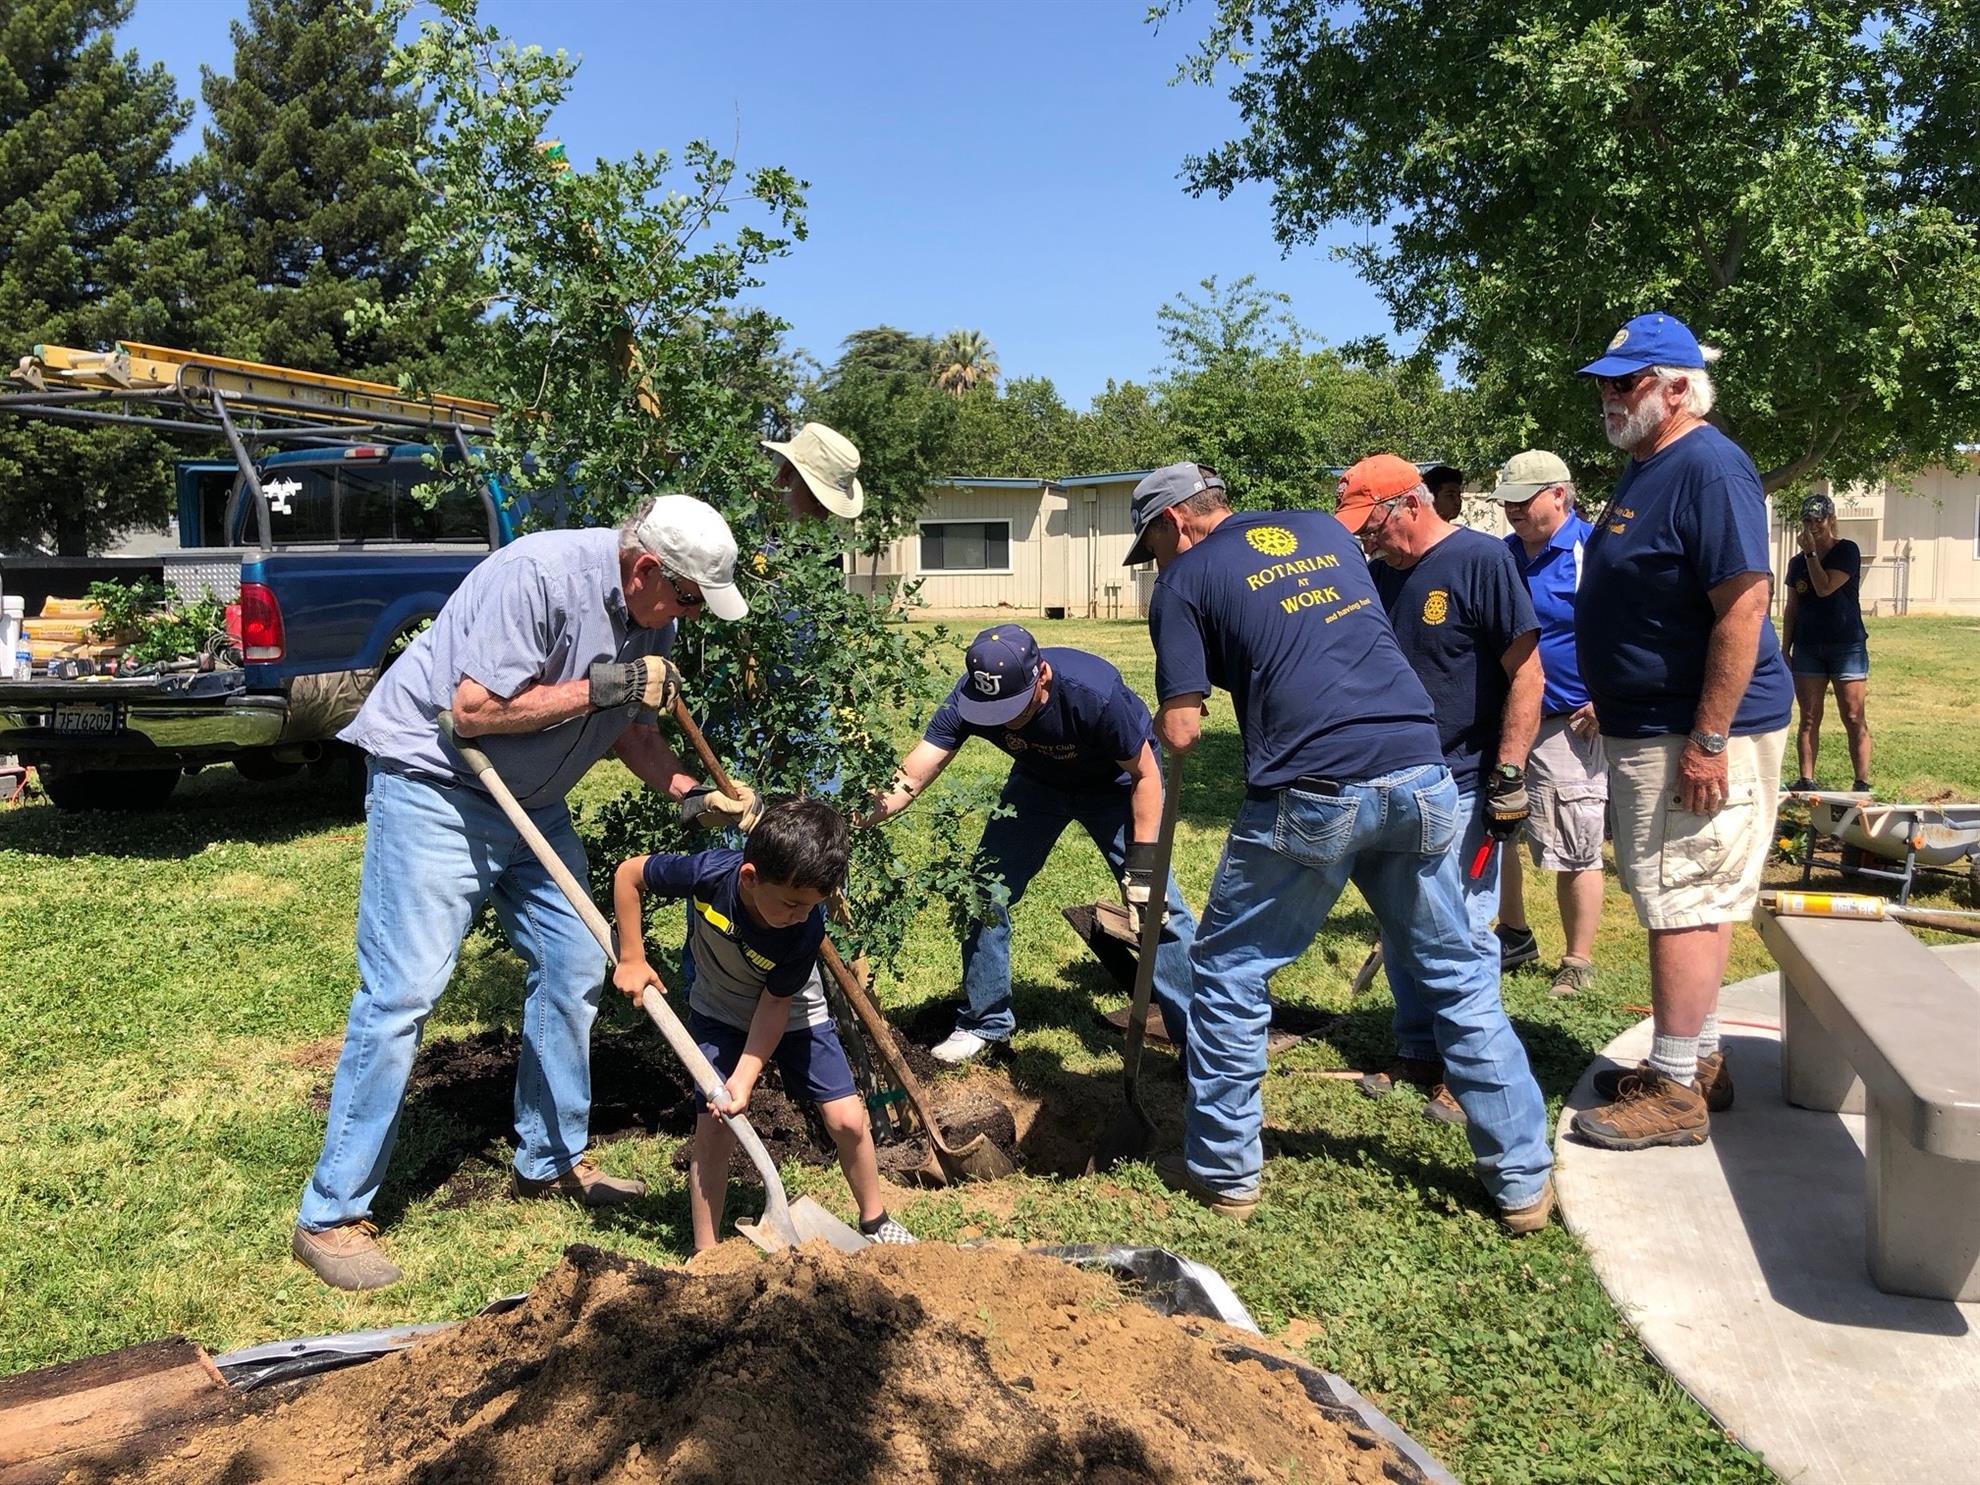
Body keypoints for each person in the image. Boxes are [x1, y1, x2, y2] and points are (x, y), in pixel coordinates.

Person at [292, 494, 760, 1291]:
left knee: (579, 958)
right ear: (649, 568)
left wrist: (688, 792)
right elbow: (472, 711)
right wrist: (606, 686)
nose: (691, 616)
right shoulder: (539, 576)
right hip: (437, 782)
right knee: (403, 990)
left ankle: (547, 1159)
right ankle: (331, 1213)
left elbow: (634, 729)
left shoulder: (657, 615)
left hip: (531, 804)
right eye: (687, 598)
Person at [1130, 460, 1554, 1233]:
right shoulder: (1325, 531)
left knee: (1227, 968)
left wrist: (1169, 716)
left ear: (1174, 524)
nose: (1157, 560)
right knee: (1460, 973)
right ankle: (1523, 1181)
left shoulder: (1184, 581)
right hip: (1422, 771)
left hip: (1313, 784)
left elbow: (1185, 727)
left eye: (1152, 545)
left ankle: (1225, 1171)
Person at [1570, 312, 1793, 1150]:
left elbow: (1741, 608)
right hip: (1650, 723)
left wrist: (1707, 737)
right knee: (1686, 889)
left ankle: (1672, 1090)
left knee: (1682, 896)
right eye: (1604, 382)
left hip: (1696, 733)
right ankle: (1697, 1059)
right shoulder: (1647, 463)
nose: (1608, 397)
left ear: (1676, 387)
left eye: (1624, 382)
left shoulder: (1709, 466)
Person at [863, 625, 1198, 1066]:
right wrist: (845, 818)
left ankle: (1201, 1038)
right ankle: (985, 1021)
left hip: (1117, 786)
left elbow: (1147, 775)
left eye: (1013, 708)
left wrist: (1143, 867)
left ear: (1041, 675)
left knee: (1156, 907)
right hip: (1038, 785)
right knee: (982, 891)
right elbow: (912, 775)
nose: (1002, 720)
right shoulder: (972, 697)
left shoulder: (1093, 692)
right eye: (993, 711)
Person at [611, 799, 913, 1249]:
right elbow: (629, 874)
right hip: (719, 1012)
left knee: (848, 1120)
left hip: (793, 1014)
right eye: (792, 902)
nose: (801, 913)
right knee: (714, 1127)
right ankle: (706, 1250)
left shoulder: (804, 928)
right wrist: (632, 957)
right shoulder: (708, 874)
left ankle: (874, 1218)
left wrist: (745, 1078)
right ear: (750, 878)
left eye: (811, 905)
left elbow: (775, 1007)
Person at [1354, 454, 1543, 1124]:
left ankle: (1469, 1072)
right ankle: (1417, 1048)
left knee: (1461, 928)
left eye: (1372, 526)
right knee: (1402, 920)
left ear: (1410, 503)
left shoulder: (1482, 560)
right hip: (1394, 780)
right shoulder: (1378, 576)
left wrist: (1511, 772)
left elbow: (1526, 674)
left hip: (1464, 779)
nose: (1367, 542)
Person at [1491, 451, 1608, 997]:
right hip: (1508, 716)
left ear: (1560, 494)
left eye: (1524, 499)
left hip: (1571, 722)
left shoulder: (1595, 551)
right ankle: (1511, 933)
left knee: (1576, 839)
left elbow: (1627, 631)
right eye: (1507, 501)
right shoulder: (1501, 556)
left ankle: (1576, 959)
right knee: (1498, 829)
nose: (1512, 510)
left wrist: (1610, 696)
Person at [1782, 493, 1871, 793]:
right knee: (1808, 716)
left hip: (1846, 645)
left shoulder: (1846, 551)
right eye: (1807, 521)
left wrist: (1811, 556)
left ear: (1831, 520)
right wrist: (1785, 647)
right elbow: (1792, 606)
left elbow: (1823, 588)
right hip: (1808, 647)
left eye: (1818, 520)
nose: (1812, 526)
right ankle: (1806, 779)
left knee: (1853, 713)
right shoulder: (1796, 563)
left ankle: (1861, 782)